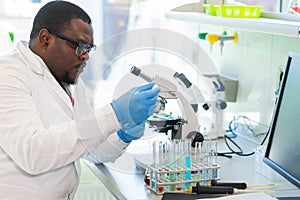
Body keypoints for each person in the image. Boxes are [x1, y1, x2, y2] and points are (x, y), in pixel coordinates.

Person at [0, 1, 160, 200]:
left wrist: (122, 135)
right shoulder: (8, 75)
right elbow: (33, 153)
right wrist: (114, 113)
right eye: (79, 46)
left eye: (89, 48)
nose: (85, 56)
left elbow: (88, 150)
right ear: (45, 39)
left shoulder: (70, 80)